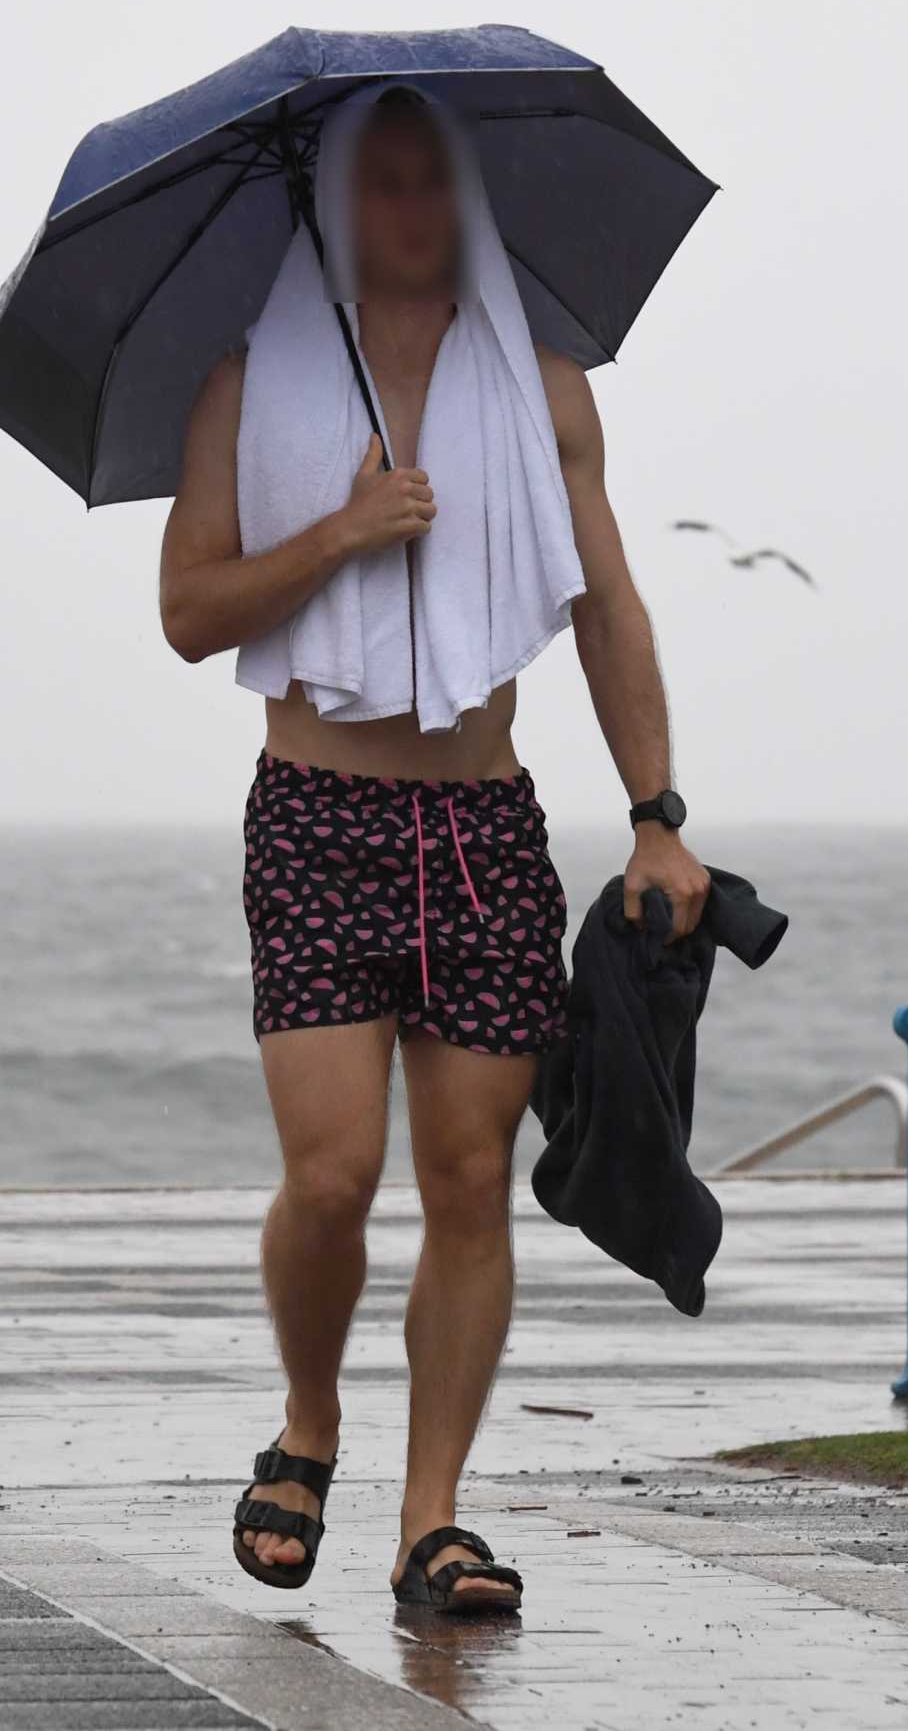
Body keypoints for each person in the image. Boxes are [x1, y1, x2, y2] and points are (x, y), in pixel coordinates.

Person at [157, 85, 708, 1614]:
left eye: (432, 181)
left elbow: (605, 609)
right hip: (320, 815)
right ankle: (310, 1423)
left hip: (480, 825)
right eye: (382, 182)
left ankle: (433, 1517)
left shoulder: (543, 393)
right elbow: (190, 612)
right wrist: (337, 532)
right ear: (336, 204)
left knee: (469, 1180)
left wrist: (657, 815)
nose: (412, 207)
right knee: (331, 1179)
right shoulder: (246, 384)